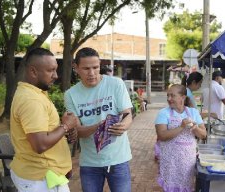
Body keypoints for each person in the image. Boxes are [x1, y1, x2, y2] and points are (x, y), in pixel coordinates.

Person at [64, 47, 133, 192]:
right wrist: (98, 126)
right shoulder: (71, 94)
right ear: (76, 68)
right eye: (86, 68)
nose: (92, 73)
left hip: (118, 159)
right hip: (90, 162)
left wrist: (123, 126)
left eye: (95, 67)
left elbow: (127, 114)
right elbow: (78, 132)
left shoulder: (116, 84)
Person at [10, 48, 79, 192]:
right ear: (33, 71)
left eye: (56, 70)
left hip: (45, 175)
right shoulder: (32, 100)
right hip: (41, 178)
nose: (55, 75)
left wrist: (63, 130)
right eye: (50, 71)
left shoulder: (36, 92)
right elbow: (40, 144)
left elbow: (43, 131)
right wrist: (66, 126)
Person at [155, 84, 206, 191]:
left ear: (182, 97)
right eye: (168, 96)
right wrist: (181, 127)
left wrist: (195, 127)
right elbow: (162, 135)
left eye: (172, 96)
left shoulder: (193, 112)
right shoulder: (163, 113)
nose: (169, 99)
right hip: (170, 160)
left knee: (186, 187)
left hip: (188, 160)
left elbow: (203, 135)